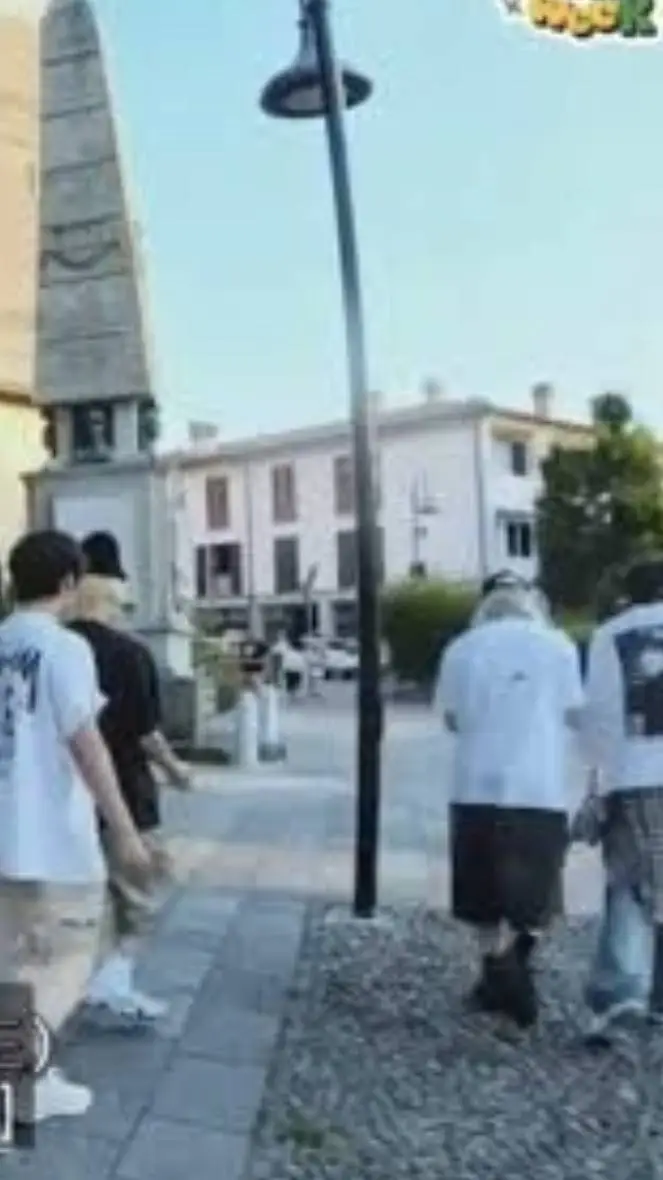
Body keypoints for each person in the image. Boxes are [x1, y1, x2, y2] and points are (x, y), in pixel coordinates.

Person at [0, 530, 154, 1123]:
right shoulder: (64, 649)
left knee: (19, 965)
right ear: (68, 582)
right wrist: (125, 830)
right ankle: (18, 1083)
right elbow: (87, 743)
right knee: (65, 966)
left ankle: (28, 1078)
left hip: (6, 836)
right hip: (53, 839)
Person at [435, 580, 584, 1028]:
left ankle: (501, 973)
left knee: (482, 896)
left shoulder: (461, 648)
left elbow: (452, 719)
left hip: (475, 786)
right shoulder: (559, 646)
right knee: (535, 895)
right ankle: (511, 971)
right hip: (538, 787)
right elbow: (573, 712)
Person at [68, 531, 191, 1025]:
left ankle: (96, 977)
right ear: (114, 593)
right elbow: (145, 733)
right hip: (127, 794)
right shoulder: (130, 654)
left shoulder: (56, 649)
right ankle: (112, 979)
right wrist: (176, 769)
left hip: (66, 797)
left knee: (86, 896)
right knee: (143, 889)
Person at [583, 555, 663, 1038]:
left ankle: (620, 994)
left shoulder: (612, 634)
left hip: (636, 775)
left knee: (631, 884)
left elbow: (600, 718)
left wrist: (596, 784)